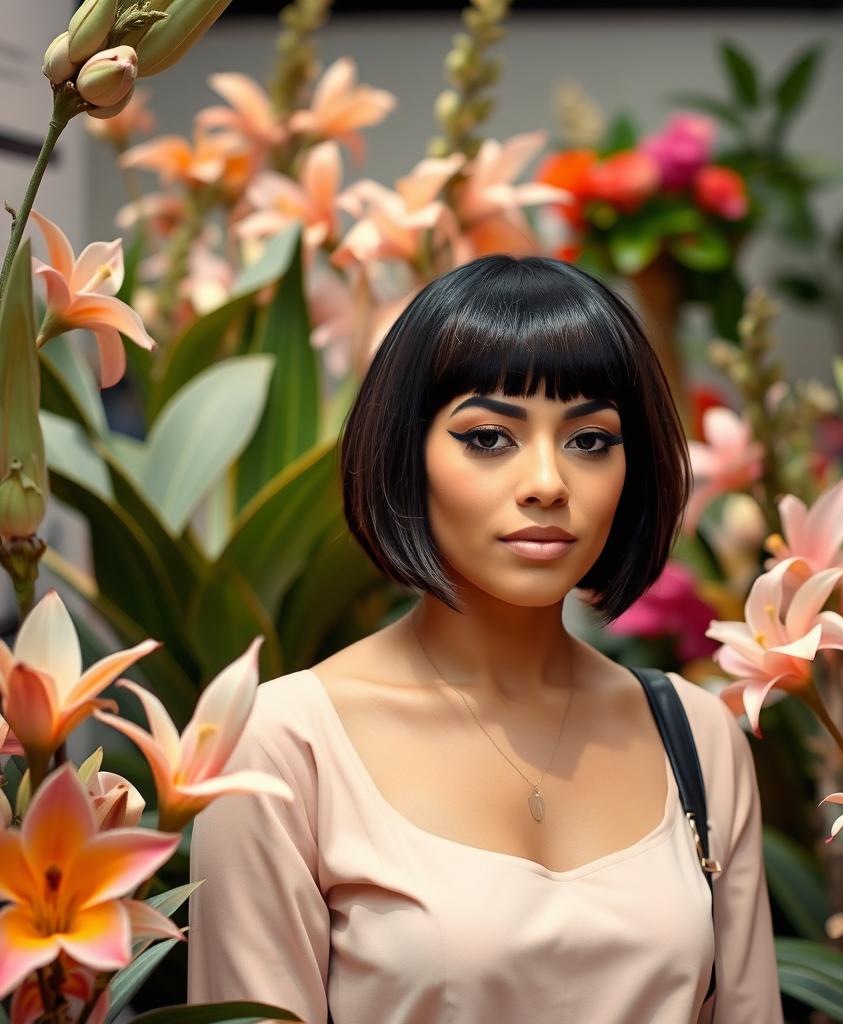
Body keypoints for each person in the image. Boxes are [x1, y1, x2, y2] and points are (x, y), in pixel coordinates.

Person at [186, 253, 784, 1024]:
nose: (546, 482)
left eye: (591, 440)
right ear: (409, 453)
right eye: (489, 436)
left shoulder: (699, 739)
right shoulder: (278, 745)